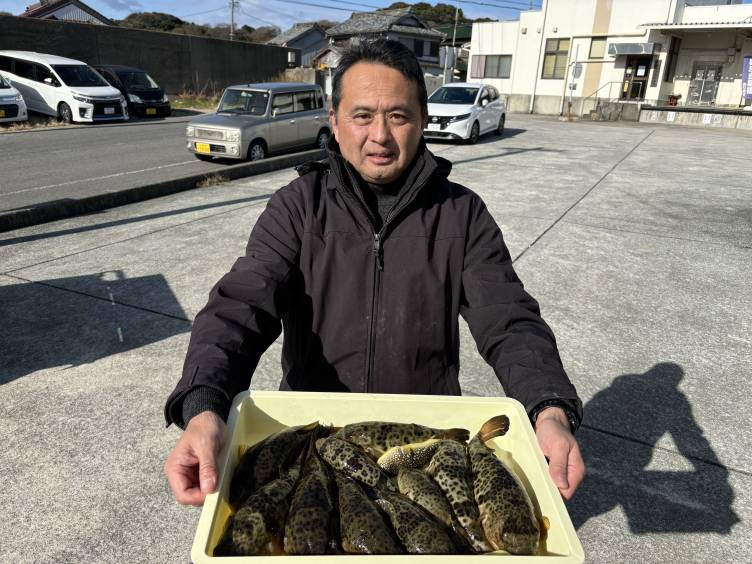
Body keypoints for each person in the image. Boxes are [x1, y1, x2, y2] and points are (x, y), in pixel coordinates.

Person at [163, 39, 585, 507]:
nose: (380, 135)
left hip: (422, 442)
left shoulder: (462, 214)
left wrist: (548, 408)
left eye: (398, 116)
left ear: (422, 120)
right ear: (335, 121)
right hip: (317, 437)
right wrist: (204, 404)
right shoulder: (298, 207)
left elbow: (508, 319)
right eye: (362, 115)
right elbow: (241, 305)